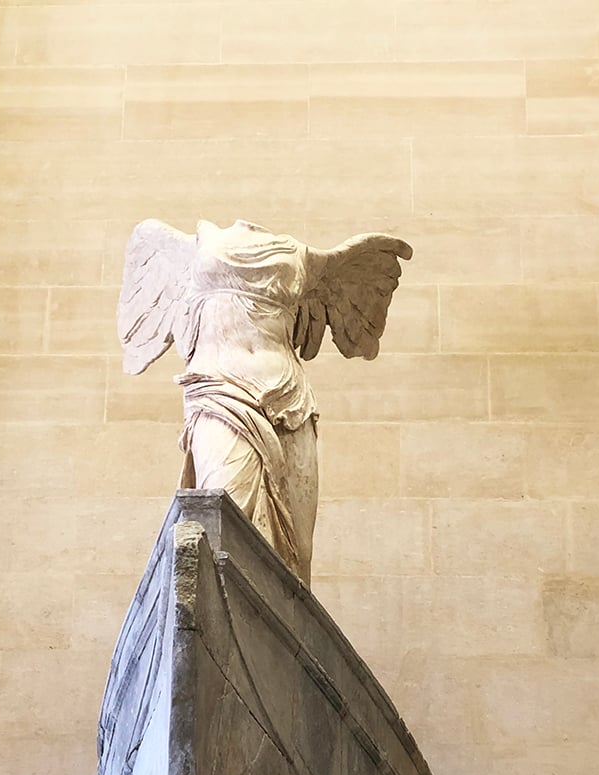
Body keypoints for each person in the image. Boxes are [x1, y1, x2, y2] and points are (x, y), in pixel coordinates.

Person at [118, 218, 412, 585]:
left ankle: (283, 635)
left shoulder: (306, 259)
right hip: (219, 392)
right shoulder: (193, 246)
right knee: (229, 518)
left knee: (296, 551)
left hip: (290, 401)